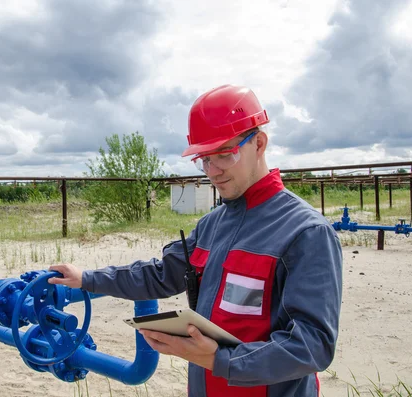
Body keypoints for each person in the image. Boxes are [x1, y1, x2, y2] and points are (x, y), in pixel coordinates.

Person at [49, 84, 343, 397]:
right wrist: (87, 278)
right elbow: (162, 274)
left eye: (224, 154)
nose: (213, 172)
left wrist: (220, 360)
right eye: (204, 159)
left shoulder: (306, 232)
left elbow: (313, 346)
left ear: (259, 144)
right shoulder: (212, 225)